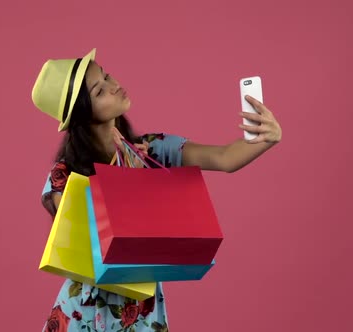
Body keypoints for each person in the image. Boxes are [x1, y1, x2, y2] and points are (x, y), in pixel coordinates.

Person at [31, 48, 282, 332]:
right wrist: (129, 177)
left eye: (107, 75)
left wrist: (267, 137)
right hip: (84, 311)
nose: (115, 86)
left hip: (142, 313)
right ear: (82, 114)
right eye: (100, 91)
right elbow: (82, 245)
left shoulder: (153, 150)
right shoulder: (64, 175)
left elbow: (224, 158)